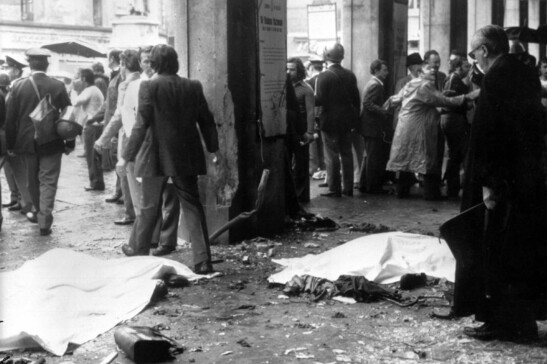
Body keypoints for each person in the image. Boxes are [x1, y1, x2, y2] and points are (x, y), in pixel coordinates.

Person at [455, 24, 547, 342]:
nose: (474, 59)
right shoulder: (523, 72)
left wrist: (489, 182)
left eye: (473, 52)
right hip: (527, 180)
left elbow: (492, 135)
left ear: (484, 50)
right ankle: (521, 321)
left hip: (504, 183)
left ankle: (503, 323)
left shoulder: (496, 77)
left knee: (498, 251)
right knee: (522, 252)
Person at [120, 45, 219, 276]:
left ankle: (139, 253)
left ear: (154, 64)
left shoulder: (149, 86)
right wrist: (214, 149)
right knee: (192, 206)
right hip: (186, 155)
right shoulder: (193, 86)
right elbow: (206, 119)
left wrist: (126, 156)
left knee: (148, 207)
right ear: (176, 62)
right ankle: (203, 261)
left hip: (155, 154)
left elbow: (141, 124)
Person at [385, 60, 478, 200]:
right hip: (419, 128)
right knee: (427, 159)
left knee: (406, 160)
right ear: (420, 72)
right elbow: (443, 102)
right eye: (429, 68)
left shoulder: (411, 84)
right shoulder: (425, 85)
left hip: (405, 127)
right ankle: (431, 194)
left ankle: (402, 192)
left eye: (434, 68)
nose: (433, 70)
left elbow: (397, 100)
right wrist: (467, 97)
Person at [5, 48, 73, 236]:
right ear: (47, 64)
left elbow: (11, 120)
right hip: (52, 140)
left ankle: (37, 211)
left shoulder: (18, 86)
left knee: (31, 181)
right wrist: (70, 142)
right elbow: (69, 117)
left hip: (26, 142)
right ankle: (45, 219)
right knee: (49, 181)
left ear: (29, 64)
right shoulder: (58, 86)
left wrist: (10, 145)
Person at [94, 49, 139, 226]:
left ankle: (131, 213)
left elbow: (120, 114)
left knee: (126, 173)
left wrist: (103, 138)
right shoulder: (141, 80)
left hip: (128, 134)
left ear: (123, 65)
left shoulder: (126, 84)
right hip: (138, 134)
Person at [315, 42, 360, 197]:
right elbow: (356, 100)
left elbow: (319, 99)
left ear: (327, 56)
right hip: (347, 122)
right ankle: (348, 188)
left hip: (329, 123)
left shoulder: (324, 76)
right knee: (346, 154)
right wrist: (354, 121)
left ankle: (334, 188)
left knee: (331, 155)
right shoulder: (350, 75)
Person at [88, 50, 125, 204]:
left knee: (120, 158)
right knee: (116, 158)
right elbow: (108, 103)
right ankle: (119, 191)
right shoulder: (113, 77)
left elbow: (116, 105)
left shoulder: (121, 77)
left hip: (118, 125)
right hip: (111, 123)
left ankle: (121, 192)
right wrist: (95, 117)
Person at [440, 50, 471, 199]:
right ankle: (452, 188)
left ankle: (452, 188)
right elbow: (447, 99)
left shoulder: (456, 79)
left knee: (456, 154)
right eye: (466, 66)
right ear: (458, 68)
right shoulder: (453, 79)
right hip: (453, 119)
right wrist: (466, 100)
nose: (468, 69)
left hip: (454, 118)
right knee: (457, 153)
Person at [358, 59, 392, 194]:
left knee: (369, 156)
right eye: (384, 70)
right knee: (373, 157)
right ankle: (372, 187)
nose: (387, 73)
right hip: (371, 126)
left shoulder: (373, 83)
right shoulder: (376, 85)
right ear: (376, 71)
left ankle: (364, 185)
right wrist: (384, 111)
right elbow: (367, 103)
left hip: (368, 126)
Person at [2, 55, 30, 212]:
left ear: (17, 70)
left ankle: (23, 201)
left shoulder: (18, 85)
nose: (6, 70)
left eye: (9, 68)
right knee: (9, 169)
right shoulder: (10, 85)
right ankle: (15, 197)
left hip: (16, 134)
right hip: (8, 134)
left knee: (19, 169)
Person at [287, 57, 315, 203]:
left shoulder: (306, 89)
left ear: (299, 71)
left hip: (301, 128)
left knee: (301, 163)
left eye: (292, 69)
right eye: (287, 68)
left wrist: (310, 132)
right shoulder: (283, 86)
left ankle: (302, 195)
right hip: (287, 128)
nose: (289, 72)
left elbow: (311, 112)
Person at [73, 68, 105, 191]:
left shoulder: (89, 90)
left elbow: (76, 102)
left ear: (84, 79)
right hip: (97, 125)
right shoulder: (95, 89)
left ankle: (95, 183)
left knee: (92, 156)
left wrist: (74, 91)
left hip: (92, 126)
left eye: (79, 78)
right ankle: (97, 182)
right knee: (95, 156)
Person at [305, 59, 326, 176]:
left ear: (311, 68)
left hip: (313, 114)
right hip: (324, 115)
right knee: (323, 142)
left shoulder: (309, 82)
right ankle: (324, 168)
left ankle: (313, 167)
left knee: (312, 142)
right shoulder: (325, 79)